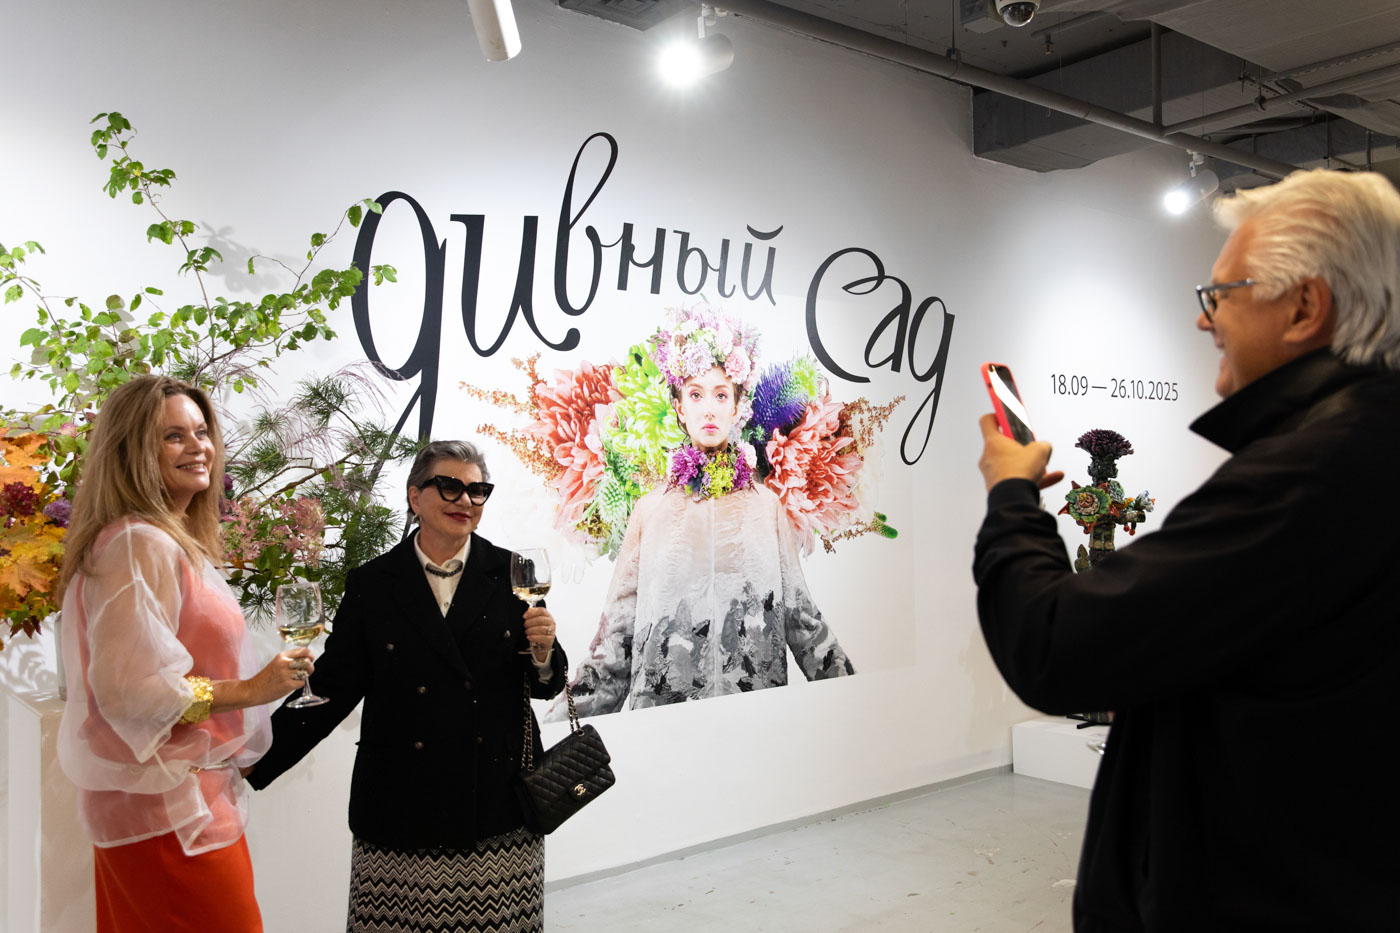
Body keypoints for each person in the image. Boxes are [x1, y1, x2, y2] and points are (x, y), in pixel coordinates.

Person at [973, 168, 1400, 932]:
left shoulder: (1309, 474)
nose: (1205, 320)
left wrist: (1011, 496)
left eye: (1221, 293)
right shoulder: (1370, 443)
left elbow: (1053, 644)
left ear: (1305, 306)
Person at [246, 440, 567, 933]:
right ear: (415, 496)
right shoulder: (374, 583)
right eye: (450, 486)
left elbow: (545, 683)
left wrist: (543, 653)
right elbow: (333, 685)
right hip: (401, 804)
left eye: (477, 490)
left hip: (496, 806)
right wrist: (254, 755)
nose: (465, 500)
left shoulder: (510, 572)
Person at [56, 374, 313, 933]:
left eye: (201, 432)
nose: (198, 447)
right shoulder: (138, 543)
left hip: (182, 805)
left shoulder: (158, 539)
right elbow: (131, 692)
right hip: (169, 814)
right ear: (132, 452)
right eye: (174, 436)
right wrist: (250, 691)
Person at [559, 307, 855, 718]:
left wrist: (859, 701)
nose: (709, 409)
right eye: (696, 395)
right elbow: (616, 643)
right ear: (679, 407)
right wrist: (555, 729)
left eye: (721, 395)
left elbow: (802, 621)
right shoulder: (650, 511)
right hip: (665, 727)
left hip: (756, 721)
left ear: (737, 407)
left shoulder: (766, 507)